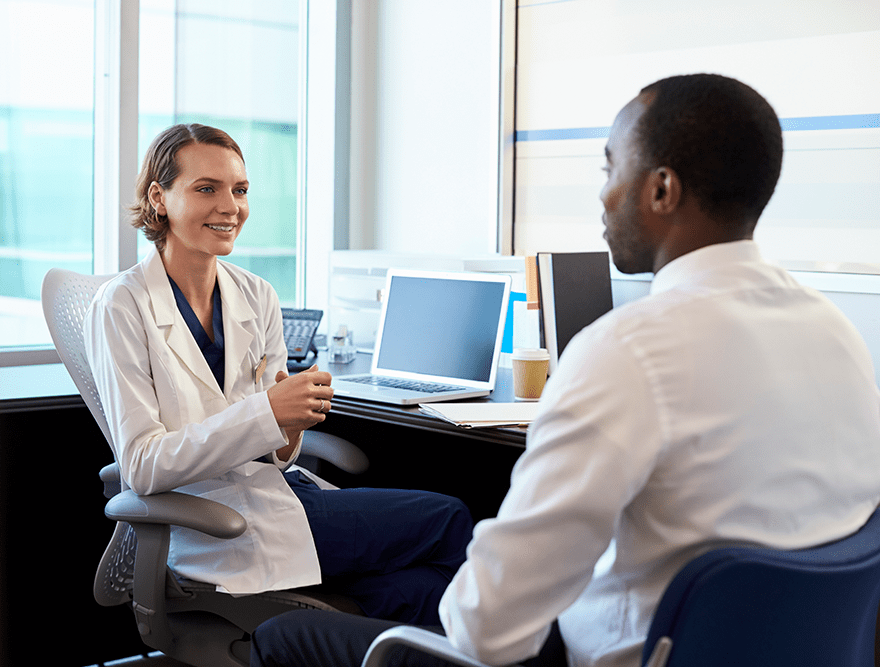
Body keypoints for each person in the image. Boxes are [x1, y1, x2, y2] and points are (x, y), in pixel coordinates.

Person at [248, 73, 880, 667]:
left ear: (661, 189)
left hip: (624, 653)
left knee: (287, 636)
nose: (603, 194)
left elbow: (485, 633)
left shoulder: (630, 349)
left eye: (611, 166)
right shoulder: (834, 332)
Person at [84, 123, 473, 625]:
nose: (231, 207)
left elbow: (277, 453)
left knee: (422, 589)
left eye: (240, 190)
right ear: (159, 198)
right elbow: (141, 467)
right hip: (213, 523)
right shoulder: (121, 305)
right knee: (451, 520)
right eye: (207, 189)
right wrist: (267, 412)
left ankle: (314, 635)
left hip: (281, 495)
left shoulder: (256, 295)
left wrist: (290, 424)